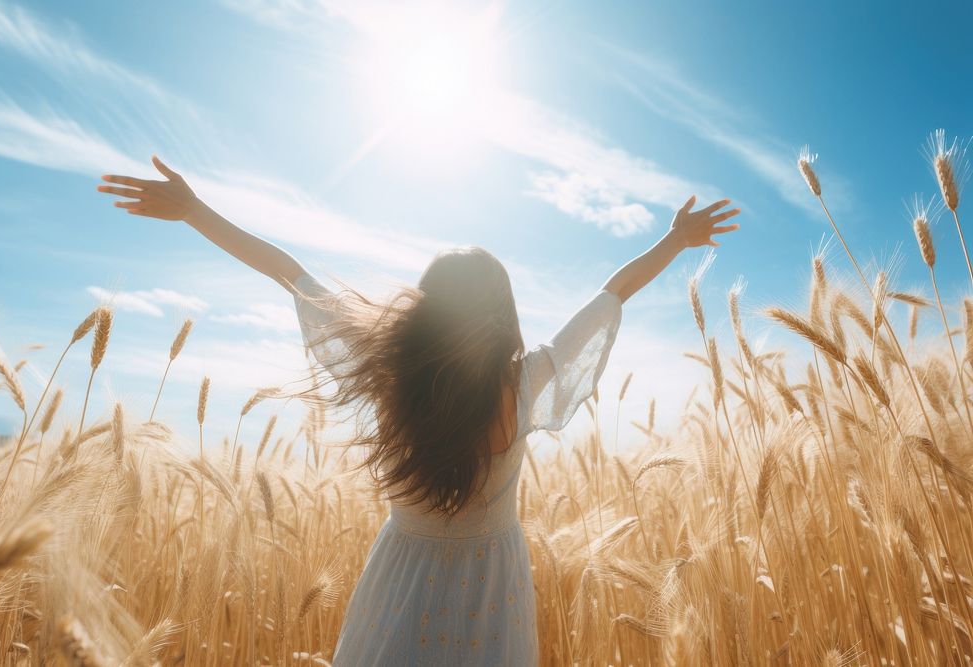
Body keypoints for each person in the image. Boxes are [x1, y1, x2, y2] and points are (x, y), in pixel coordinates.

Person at [97, 156, 740, 665]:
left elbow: (288, 272)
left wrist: (195, 211)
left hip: (400, 578)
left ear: (427, 305)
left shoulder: (390, 371)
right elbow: (613, 292)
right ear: (502, 311)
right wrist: (676, 239)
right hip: (496, 589)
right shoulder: (531, 377)